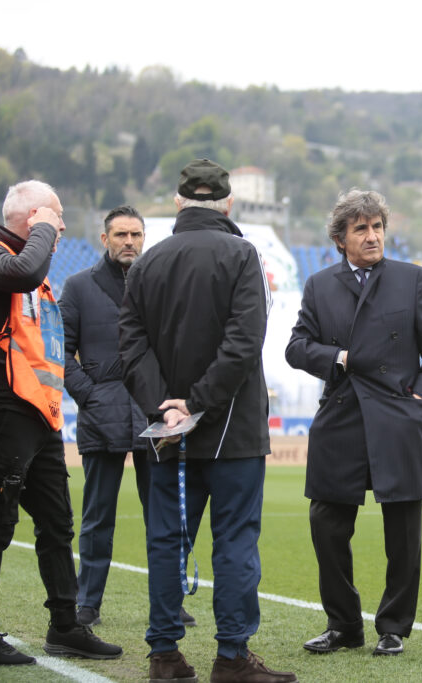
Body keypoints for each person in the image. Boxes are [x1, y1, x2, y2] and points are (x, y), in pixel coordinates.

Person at [119, 159, 296, 683]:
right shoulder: (243, 255)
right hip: (233, 432)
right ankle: (233, 657)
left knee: (167, 541)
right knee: (235, 542)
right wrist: (196, 403)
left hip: (168, 432)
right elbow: (244, 344)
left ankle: (164, 655)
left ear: (177, 203)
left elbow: (131, 349)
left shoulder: (147, 263)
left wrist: (170, 406)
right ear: (229, 205)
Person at [0, 180, 122, 665]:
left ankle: (65, 626)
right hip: (2, 409)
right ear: (32, 219)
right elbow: (23, 271)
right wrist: (44, 230)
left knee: (57, 523)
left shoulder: (35, 274)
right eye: (56, 216)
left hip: (38, 414)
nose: (63, 225)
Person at [286, 189, 422, 658]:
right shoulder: (319, 285)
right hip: (340, 419)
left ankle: (394, 626)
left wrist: (420, 400)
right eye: (360, 228)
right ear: (341, 238)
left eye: (377, 226)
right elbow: (296, 347)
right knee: (327, 526)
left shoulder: (412, 279)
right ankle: (343, 625)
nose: (372, 235)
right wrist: (337, 356)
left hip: (397, 421)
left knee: (403, 534)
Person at [59, 206, 197, 630]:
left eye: (136, 235)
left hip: (153, 416)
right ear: (104, 239)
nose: (129, 242)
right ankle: (88, 603)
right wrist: (91, 396)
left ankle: (171, 602)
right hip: (102, 418)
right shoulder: (79, 287)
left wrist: (171, 403)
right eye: (120, 234)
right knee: (97, 517)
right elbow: (59, 352)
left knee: (162, 515)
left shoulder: (159, 286)